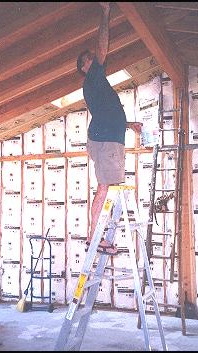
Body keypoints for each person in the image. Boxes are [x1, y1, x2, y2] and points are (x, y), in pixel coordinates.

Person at [76, 2, 125, 255]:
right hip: (105, 140)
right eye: (88, 60)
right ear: (85, 68)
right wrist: (105, 13)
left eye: (91, 58)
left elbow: (107, 113)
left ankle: (95, 236)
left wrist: (129, 124)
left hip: (108, 138)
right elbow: (102, 48)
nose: (93, 59)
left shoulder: (99, 84)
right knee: (105, 188)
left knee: (106, 188)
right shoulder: (93, 78)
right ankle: (94, 237)